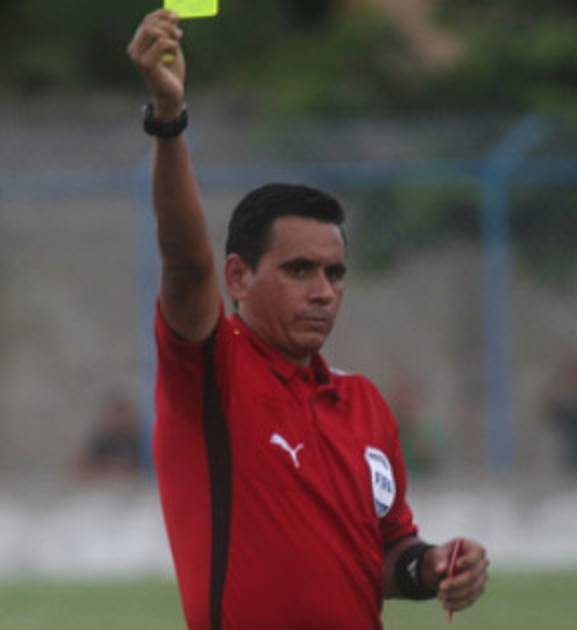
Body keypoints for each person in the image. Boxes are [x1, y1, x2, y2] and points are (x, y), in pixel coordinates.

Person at [127, 11, 488, 630]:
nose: (323, 292)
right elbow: (185, 262)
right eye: (299, 270)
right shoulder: (214, 372)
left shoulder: (364, 404)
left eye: (335, 273)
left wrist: (431, 566)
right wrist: (168, 119)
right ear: (238, 277)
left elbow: (386, 556)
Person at [73, 391, 142, 480]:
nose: (120, 422)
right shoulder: (100, 440)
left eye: (123, 417)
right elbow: (78, 468)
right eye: (116, 416)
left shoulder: (139, 441)